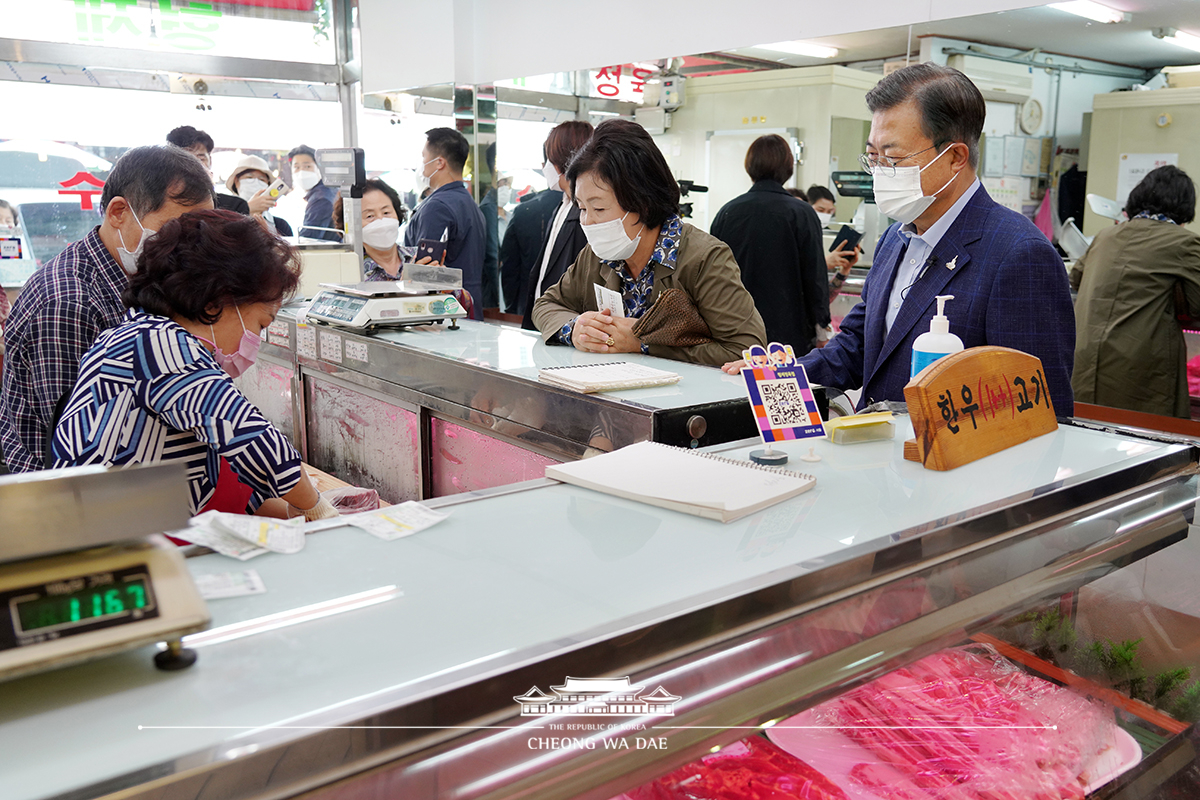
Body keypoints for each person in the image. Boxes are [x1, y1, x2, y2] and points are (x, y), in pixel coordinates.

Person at [724, 63, 1075, 418]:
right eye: (873, 157)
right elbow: (858, 343)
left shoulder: (1018, 254)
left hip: (953, 466)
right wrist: (781, 375)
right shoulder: (897, 237)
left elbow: (1040, 410)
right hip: (877, 454)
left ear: (955, 157)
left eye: (893, 158)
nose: (879, 172)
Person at [51, 210, 337, 521]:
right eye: (260, 324)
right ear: (216, 302)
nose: (256, 338)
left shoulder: (137, 335)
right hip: (106, 542)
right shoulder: (159, 346)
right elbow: (248, 436)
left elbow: (222, 466)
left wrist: (298, 513)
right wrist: (316, 508)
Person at [0, 145, 215, 473]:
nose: (188, 246)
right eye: (176, 230)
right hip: (68, 504)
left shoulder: (138, 277)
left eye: (199, 231)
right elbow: (80, 447)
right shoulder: (69, 303)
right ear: (118, 213)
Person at [532, 119, 766, 366]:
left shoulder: (703, 258)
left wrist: (642, 344)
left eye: (599, 208)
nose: (588, 222)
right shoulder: (596, 256)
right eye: (581, 207)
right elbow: (546, 305)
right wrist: (575, 329)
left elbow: (746, 350)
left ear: (642, 201)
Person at [1071, 165, 1200, 418]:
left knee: (1088, 436)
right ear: (1184, 206)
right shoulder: (1184, 242)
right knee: (1151, 444)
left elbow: (1075, 278)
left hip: (1084, 362)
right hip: (1139, 369)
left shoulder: (1105, 236)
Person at [710, 134, 829, 355]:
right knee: (784, 389)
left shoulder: (727, 213)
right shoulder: (801, 213)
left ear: (749, 165)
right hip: (788, 336)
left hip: (735, 331)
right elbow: (815, 277)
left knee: (737, 386)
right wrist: (822, 330)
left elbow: (713, 278)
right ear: (788, 167)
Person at [403, 127, 487, 320]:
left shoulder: (437, 207)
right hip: (469, 307)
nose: (422, 166)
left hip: (444, 314)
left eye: (424, 158)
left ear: (439, 162)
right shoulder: (471, 205)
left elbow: (423, 272)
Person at [519, 120, 594, 330]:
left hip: (568, 325)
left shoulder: (586, 214)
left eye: (548, 160)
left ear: (560, 162)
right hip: (545, 319)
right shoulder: (562, 206)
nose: (545, 167)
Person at [332, 178, 412, 281]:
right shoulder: (348, 271)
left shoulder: (420, 258)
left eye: (386, 213)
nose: (381, 221)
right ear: (350, 224)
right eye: (370, 216)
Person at [500, 187, 562, 317]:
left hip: (528, 300)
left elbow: (510, 264)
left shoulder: (524, 210)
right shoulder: (581, 208)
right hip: (568, 305)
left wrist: (512, 306)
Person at [165, 125, 250, 215]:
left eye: (201, 158)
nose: (195, 165)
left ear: (210, 161)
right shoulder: (162, 205)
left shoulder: (235, 206)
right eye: (186, 159)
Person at [807, 183, 861, 295]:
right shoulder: (795, 238)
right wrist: (824, 264)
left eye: (829, 212)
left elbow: (826, 296)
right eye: (820, 210)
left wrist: (844, 270)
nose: (825, 215)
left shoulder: (819, 235)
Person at [226, 154, 293, 237]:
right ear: (236, 182)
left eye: (262, 179)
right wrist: (248, 210)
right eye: (249, 177)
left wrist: (268, 234)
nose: (256, 182)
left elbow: (288, 249)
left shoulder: (281, 225)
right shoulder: (225, 220)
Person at [289, 144, 340, 241]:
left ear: (319, 168)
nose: (301, 172)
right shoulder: (329, 189)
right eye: (296, 167)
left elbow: (307, 239)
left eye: (307, 166)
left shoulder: (321, 199)